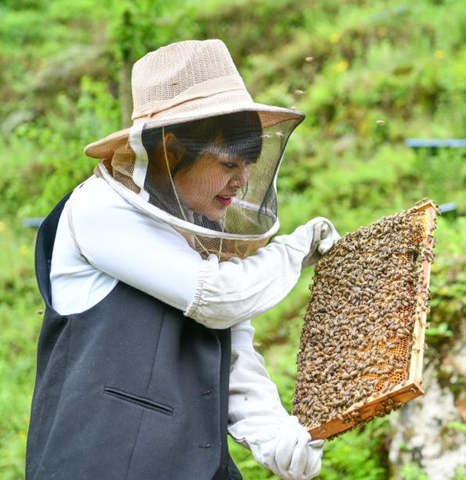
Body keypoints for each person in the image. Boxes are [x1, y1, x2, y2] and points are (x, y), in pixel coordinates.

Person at [26, 39, 337, 480]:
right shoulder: (97, 209)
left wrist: (274, 434)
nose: (242, 181)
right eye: (230, 163)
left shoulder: (200, 226)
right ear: (171, 149)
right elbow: (219, 297)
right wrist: (294, 250)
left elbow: (230, 351)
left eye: (249, 165)